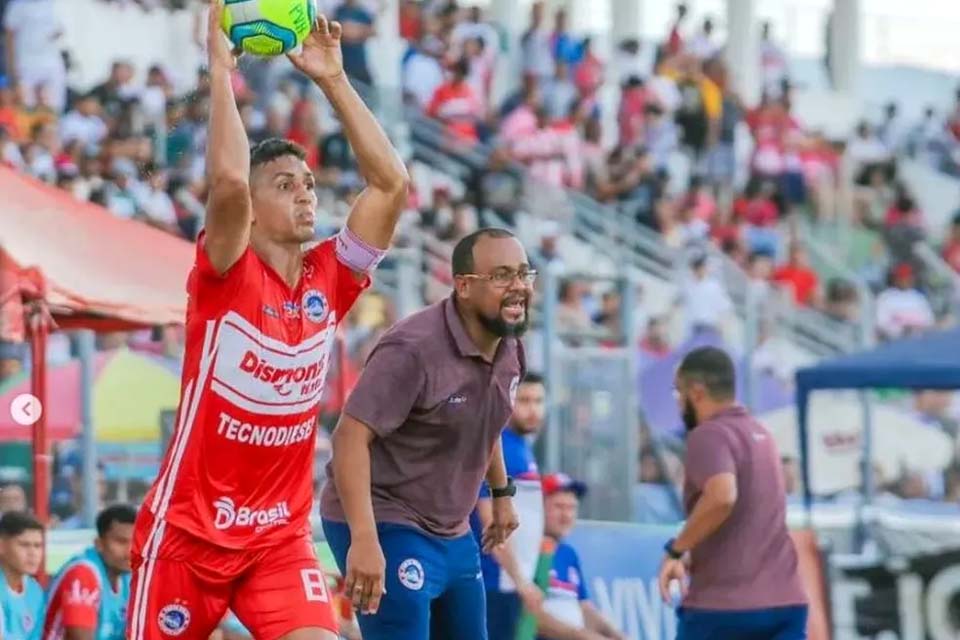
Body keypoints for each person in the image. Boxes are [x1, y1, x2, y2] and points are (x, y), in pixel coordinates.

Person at [126, 3, 409, 640]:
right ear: (252, 211)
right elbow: (227, 181)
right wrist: (219, 71)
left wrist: (333, 79)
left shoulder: (330, 279)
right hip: (186, 539)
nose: (307, 192)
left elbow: (390, 186)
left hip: (277, 541)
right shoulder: (224, 270)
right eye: (285, 184)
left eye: (309, 182)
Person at [321, 227, 532, 639]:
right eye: (503, 275)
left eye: (524, 274)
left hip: (452, 529)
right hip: (385, 521)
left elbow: (485, 421)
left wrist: (502, 493)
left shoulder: (510, 347)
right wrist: (363, 540)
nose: (519, 287)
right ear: (465, 286)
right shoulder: (413, 349)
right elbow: (348, 438)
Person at [658, 347, 808, 639]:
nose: (678, 402)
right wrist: (697, 554)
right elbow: (749, 523)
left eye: (678, 392)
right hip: (787, 602)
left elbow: (722, 496)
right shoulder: (762, 435)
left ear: (697, 392)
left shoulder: (709, 434)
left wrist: (676, 550)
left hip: (724, 608)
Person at [474, 372, 547, 640]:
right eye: (524, 400)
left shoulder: (522, 449)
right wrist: (521, 581)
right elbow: (488, 515)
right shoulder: (498, 446)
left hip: (510, 582)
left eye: (539, 401)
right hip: (494, 579)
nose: (533, 410)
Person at [533, 474, 625, 640]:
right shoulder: (528, 551)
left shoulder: (568, 554)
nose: (566, 515)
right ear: (539, 508)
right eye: (559, 507)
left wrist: (619, 636)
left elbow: (584, 608)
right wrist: (585, 637)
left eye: (571, 508)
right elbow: (530, 616)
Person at [37, 504, 136, 640]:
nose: (130, 551)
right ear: (99, 543)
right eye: (121, 541)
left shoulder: (127, 576)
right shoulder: (83, 573)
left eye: (135, 541)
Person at [0, 511, 44, 640]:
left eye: (38, 546)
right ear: (1, 546)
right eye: (24, 545)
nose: (33, 553)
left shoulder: (35, 590)